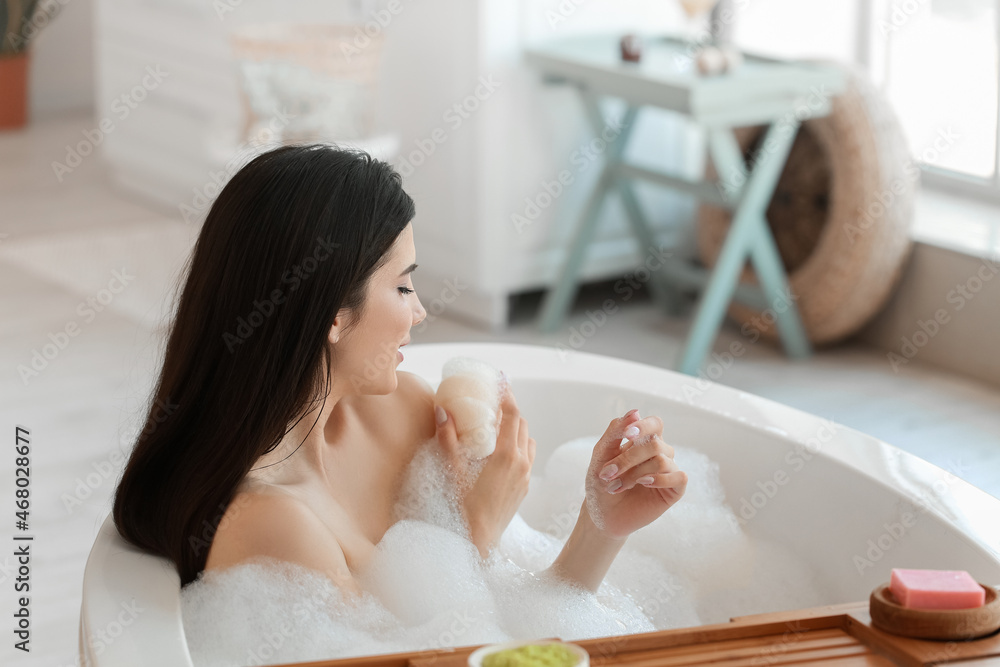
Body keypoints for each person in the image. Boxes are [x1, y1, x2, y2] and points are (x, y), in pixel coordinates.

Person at [112, 144, 688, 598]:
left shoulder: (400, 412)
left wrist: (601, 525)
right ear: (333, 315)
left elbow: (524, 627)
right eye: (403, 285)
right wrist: (475, 536)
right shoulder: (269, 523)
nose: (420, 311)